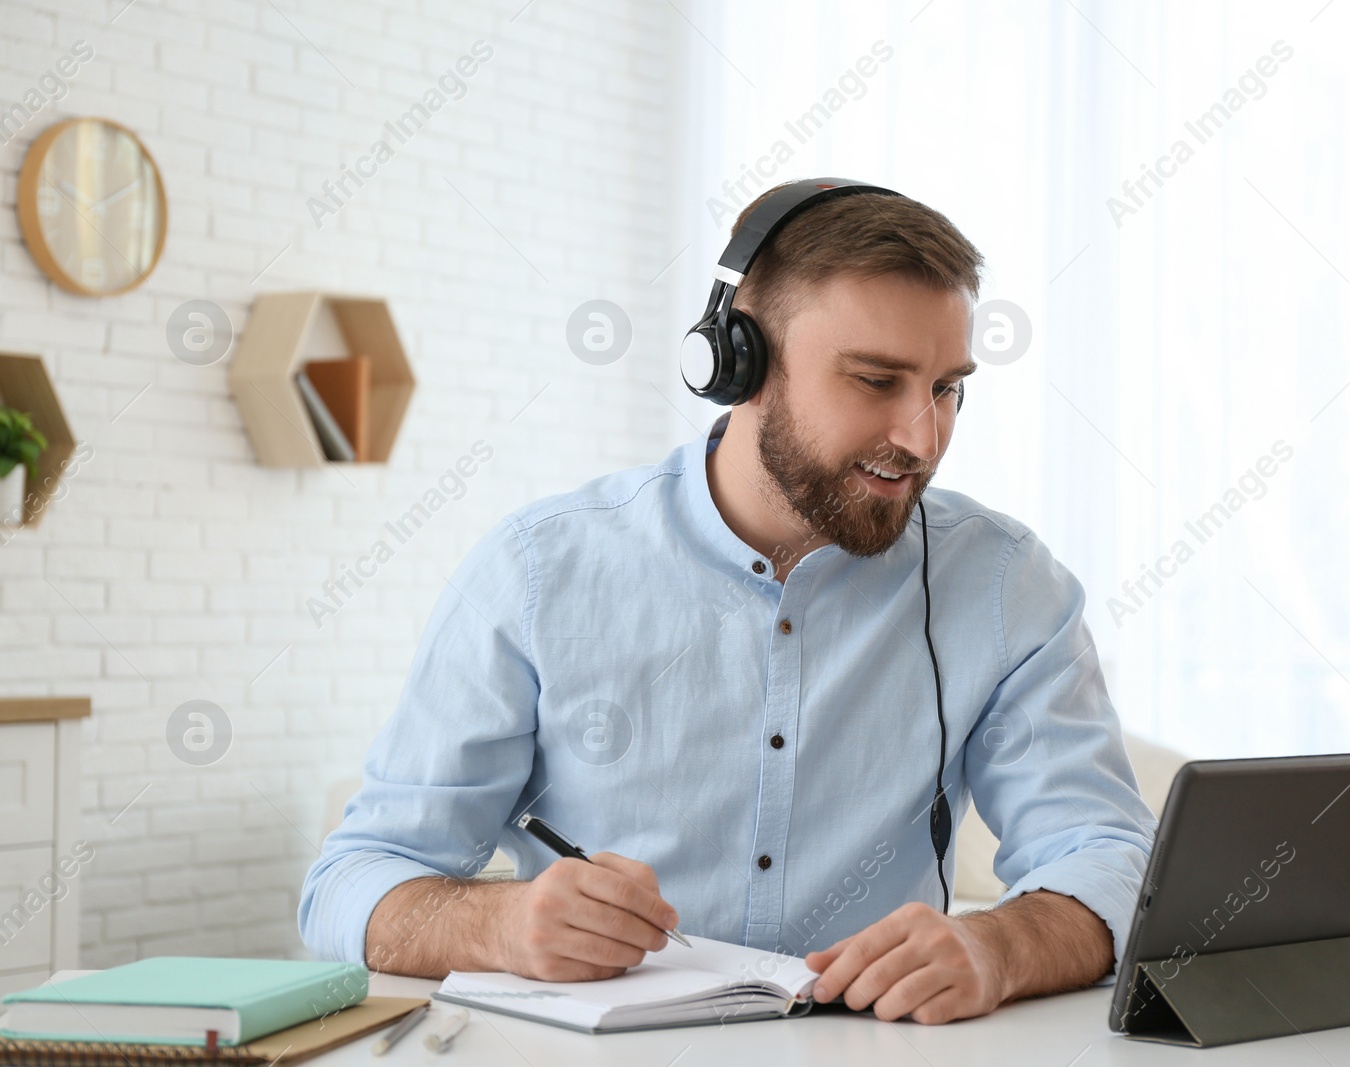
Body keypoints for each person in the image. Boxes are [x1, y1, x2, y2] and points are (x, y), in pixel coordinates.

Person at [299, 179, 1156, 1025]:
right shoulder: (538, 569)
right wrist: (503, 924)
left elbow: (1108, 855)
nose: (921, 437)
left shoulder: (1005, 583)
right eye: (875, 380)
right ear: (734, 362)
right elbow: (353, 880)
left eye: (947, 387)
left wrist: (997, 946)